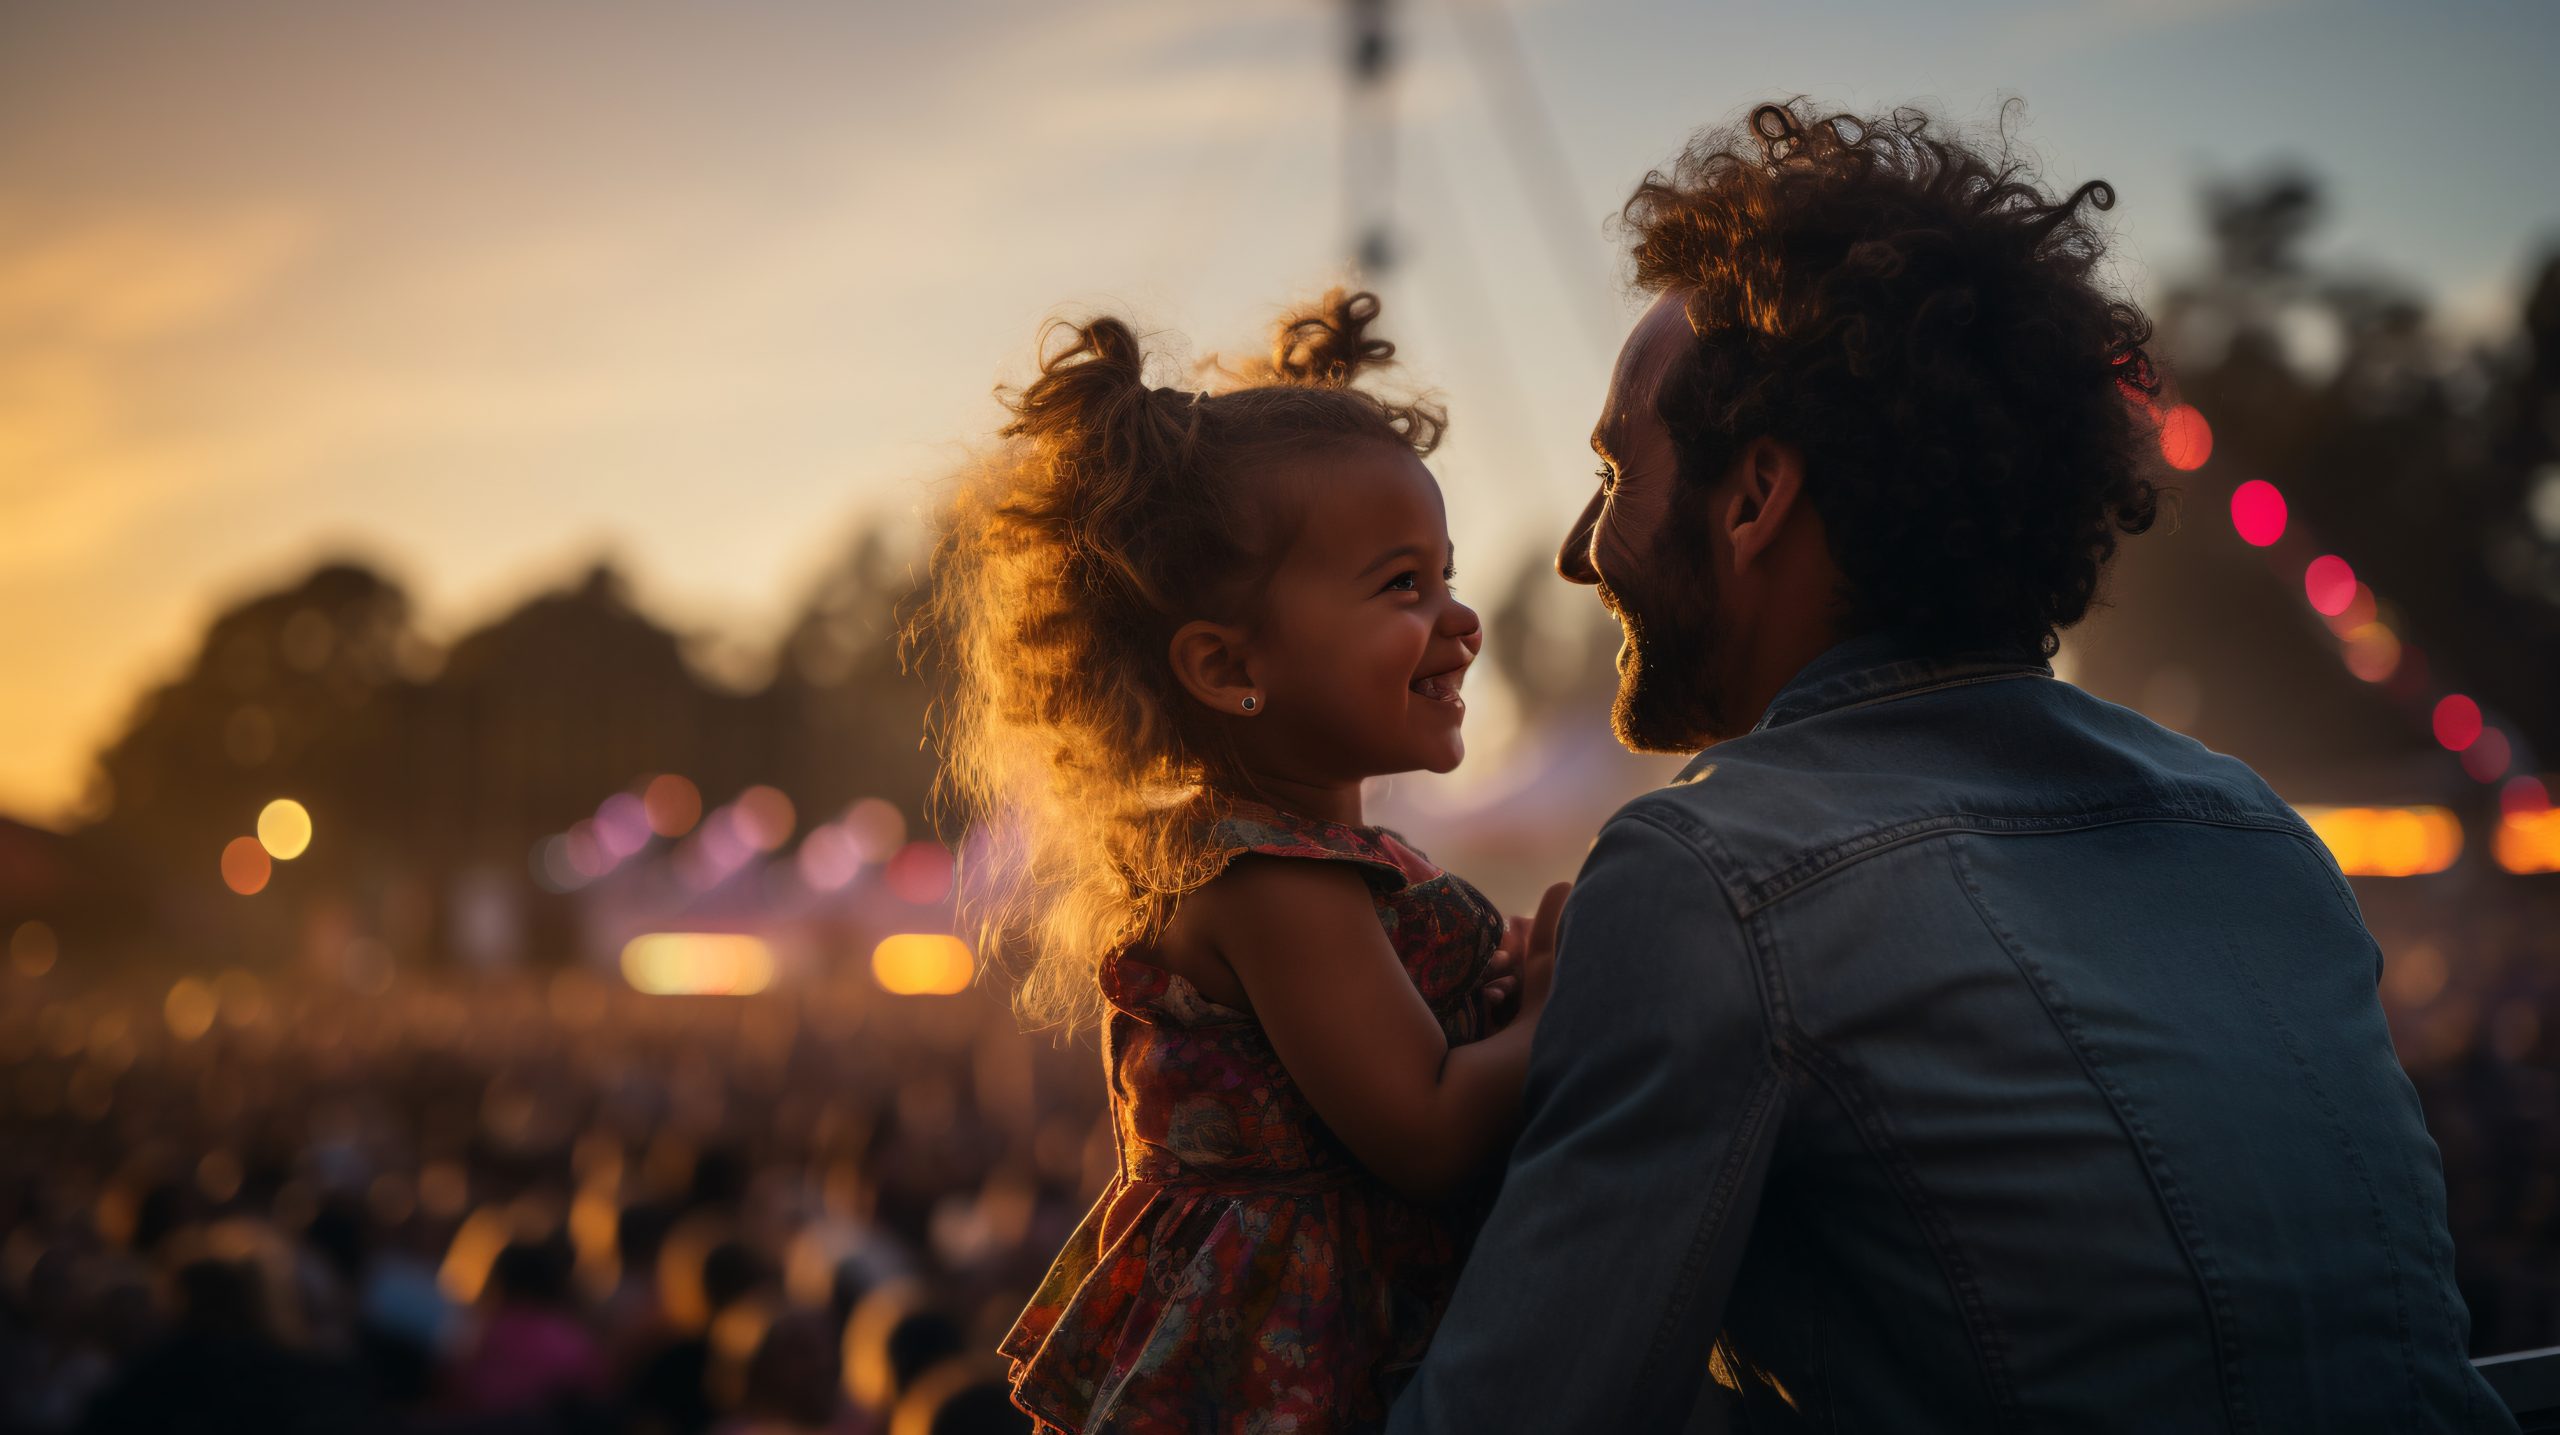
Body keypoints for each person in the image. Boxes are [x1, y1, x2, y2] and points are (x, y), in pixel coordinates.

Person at [1386, 100, 2516, 1433]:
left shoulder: (1712, 879)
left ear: (1754, 496)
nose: (1583, 548)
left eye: (1615, 467)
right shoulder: (2256, 830)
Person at [912, 289, 1568, 1433]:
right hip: (1290, 1365)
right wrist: (1542, 1021)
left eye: (1446, 575)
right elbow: (1419, 1129)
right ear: (1225, 666)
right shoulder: (1272, 878)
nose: (1459, 621)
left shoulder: (1314, 860)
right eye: (1401, 586)